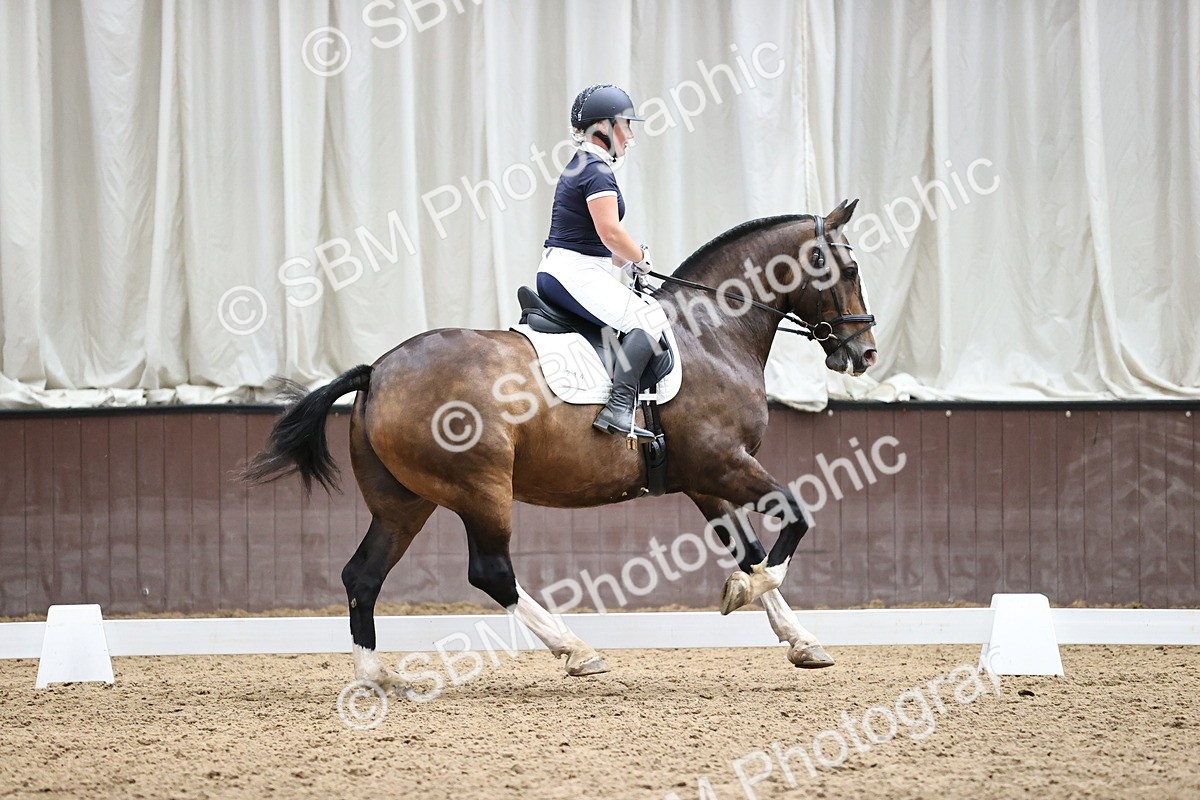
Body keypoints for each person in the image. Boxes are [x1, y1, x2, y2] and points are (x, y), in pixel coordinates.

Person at [538, 84, 669, 442]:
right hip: (572, 272)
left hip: (571, 267)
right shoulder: (596, 170)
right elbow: (610, 232)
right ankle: (619, 408)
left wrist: (628, 266)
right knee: (649, 318)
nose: (630, 136)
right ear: (604, 127)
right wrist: (642, 258)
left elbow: (600, 241)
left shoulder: (585, 165)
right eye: (626, 125)